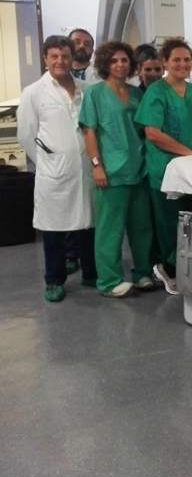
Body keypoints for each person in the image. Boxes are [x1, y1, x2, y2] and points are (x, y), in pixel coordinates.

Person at [17, 35, 96, 302]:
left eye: (65, 56)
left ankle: (91, 273)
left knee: (88, 223)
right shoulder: (34, 92)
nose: (60, 61)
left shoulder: (87, 88)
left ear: (72, 58)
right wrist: (48, 163)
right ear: (45, 58)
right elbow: (27, 135)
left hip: (86, 168)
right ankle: (54, 280)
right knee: (53, 228)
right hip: (53, 172)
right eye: (54, 56)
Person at [79, 41, 155, 297]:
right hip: (111, 171)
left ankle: (142, 272)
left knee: (141, 226)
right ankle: (109, 281)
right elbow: (89, 131)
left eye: (124, 60)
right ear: (104, 65)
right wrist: (97, 166)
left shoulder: (136, 94)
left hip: (139, 167)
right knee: (110, 228)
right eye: (114, 61)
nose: (120, 65)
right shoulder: (95, 94)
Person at [135, 38, 192, 295]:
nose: (182, 64)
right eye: (176, 59)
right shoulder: (157, 92)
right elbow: (153, 133)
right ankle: (168, 268)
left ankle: (190, 268)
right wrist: (188, 153)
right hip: (166, 170)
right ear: (165, 62)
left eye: (187, 59)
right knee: (169, 222)